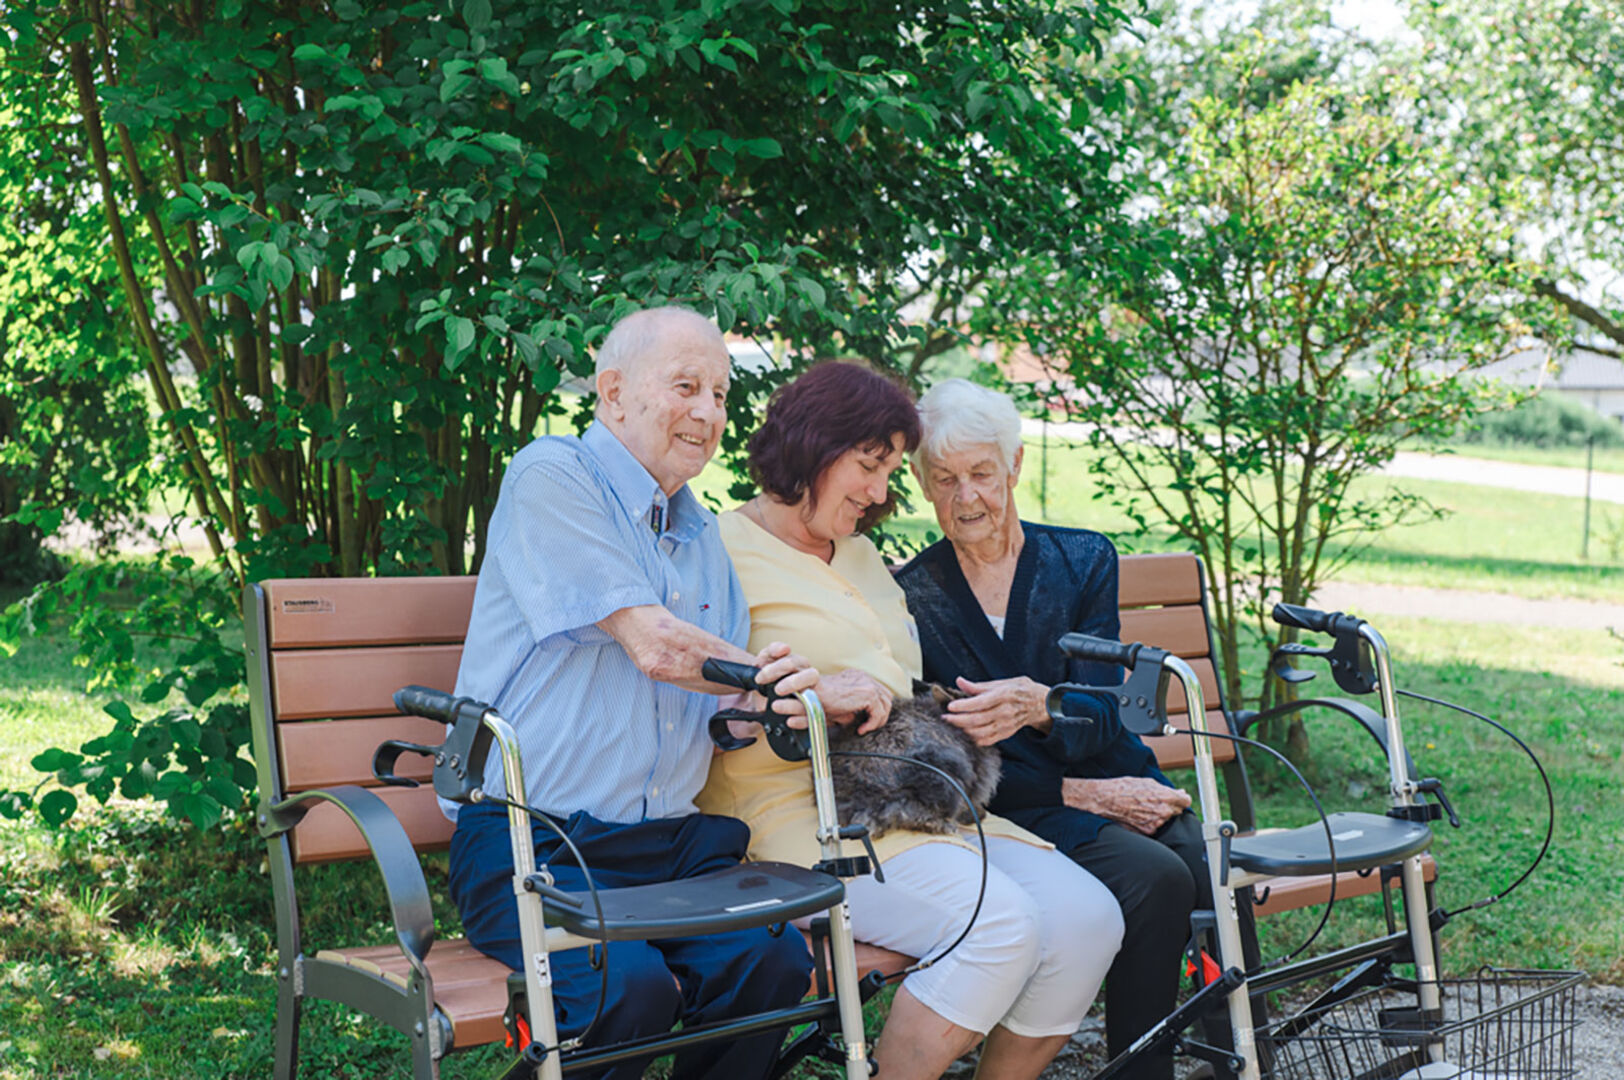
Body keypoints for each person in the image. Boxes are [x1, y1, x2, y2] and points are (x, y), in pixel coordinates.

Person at [696, 362, 1123, 1080]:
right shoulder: (719, 552)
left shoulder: (862, 555)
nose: (879, 493)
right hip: (796, 818)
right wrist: (799, 698)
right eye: (869, 467)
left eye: (890, 472)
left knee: (1087, 919)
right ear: (812, 448)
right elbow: (691, 706)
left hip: (916, 807)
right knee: (1001, 922)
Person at [443, 306, 822, 1080]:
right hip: (531, 841)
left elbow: (718, 717)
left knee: (772, 962)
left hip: (667, 850)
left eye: (720, 394)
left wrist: (756, 710)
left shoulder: (703, 538)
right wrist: (761, 673)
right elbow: (655, 645)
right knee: (628, 988)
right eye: (686, 386)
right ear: (613, 392)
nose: (709, 412)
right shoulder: (553, 475)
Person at [895, 377, 1224, 1080]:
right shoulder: (912, 598)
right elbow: (943, 764)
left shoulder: (1081, 560)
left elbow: (1106, 712)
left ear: (1014, 466)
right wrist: (1078, 794)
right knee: (1157, 880)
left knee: (1205, 866)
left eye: (982, 473)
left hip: (1117, 774)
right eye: (944, 479)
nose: (966, 497)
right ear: (922, 484)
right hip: (1013, 808)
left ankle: (1233, 1057)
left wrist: (1042, 705)